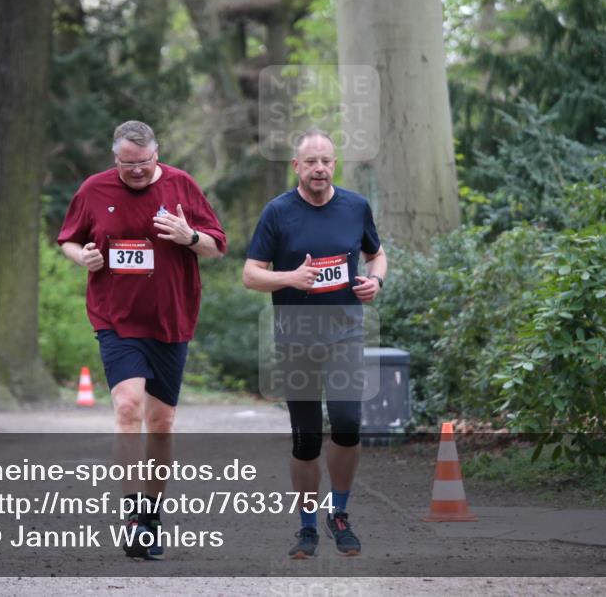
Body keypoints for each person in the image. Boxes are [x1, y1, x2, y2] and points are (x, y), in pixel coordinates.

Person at [57, 120, 226, 559]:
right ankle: (132, 515)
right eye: (126, 164)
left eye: (144, 163)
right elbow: (69, 241)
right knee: (128, 406)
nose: (135, 171)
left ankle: (152, 513)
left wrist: (189, 237)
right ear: (115, 158)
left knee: (162, 423)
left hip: (170, 320)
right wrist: (85, 257)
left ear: (157, 154)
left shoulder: (182, 186)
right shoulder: (94, 189)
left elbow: (217, 246)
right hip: (116, 318)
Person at [242, 130, 387, 558]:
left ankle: (338, 514)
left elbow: (376, 254)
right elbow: (251, 274)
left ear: (334, 164)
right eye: (311, 162)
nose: (319, 169)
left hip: (345, 332)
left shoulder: (356, 207)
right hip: (296, 338)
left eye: (325, 161)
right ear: (297, 167)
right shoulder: (278, 213)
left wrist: (375, 280)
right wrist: (290, 278)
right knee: (305, 439)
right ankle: (306, 526)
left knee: (346, 423)